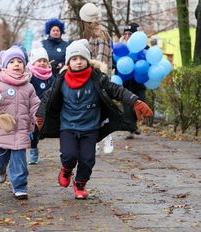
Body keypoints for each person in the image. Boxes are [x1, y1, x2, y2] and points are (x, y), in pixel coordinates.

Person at [37, 39, 153, 199]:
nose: (78, 62)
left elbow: (116, 90)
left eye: (82, 58)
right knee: (69, 155)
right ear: (68, 62)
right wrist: (41, 115)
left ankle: (80, 184)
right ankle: (66, 169)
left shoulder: (97, 78)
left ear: (88, 60)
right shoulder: (61, 80)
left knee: (87, 159)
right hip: (68, 126)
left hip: (90, 127)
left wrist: (135, 100)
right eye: (74, 59)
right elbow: (47, 98)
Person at [0, 46, 40, 200]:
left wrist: (38, 116)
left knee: (19, 161)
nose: (16, 64)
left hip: (21, 129)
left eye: (19, 61)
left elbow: (35, 105)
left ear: (24, 65)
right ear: (5, 66)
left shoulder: (29, 86)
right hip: (1, 129)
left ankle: (19, 187)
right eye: (12, 61)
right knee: (0, 158)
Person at [79, 2, 114, 154]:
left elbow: (101, 58)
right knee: (92, 109)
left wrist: (97, 75)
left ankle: (107, 139)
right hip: (93, 75)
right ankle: (94, 142)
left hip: (99, 76)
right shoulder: (92, 34)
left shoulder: (99, 34)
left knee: (100, 108)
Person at [27, 47, 55, 164]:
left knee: (45, 130)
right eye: (39, 61)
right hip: (34, 108)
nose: (42, 63)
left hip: (47, 107)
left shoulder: (51, 76)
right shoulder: (31, 76)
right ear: (33, 62)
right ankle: (33, 150)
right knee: (34, 131)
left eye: (45, 61)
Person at [119, 22, 147, 139]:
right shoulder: (121, 48)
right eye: (125, 34)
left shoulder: (143, 47)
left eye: (129, 33)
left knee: (140, 103)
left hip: (139, 83)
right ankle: (131, 129)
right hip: (125, 82)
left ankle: (133, 125)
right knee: (127, 106)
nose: (127, 36)